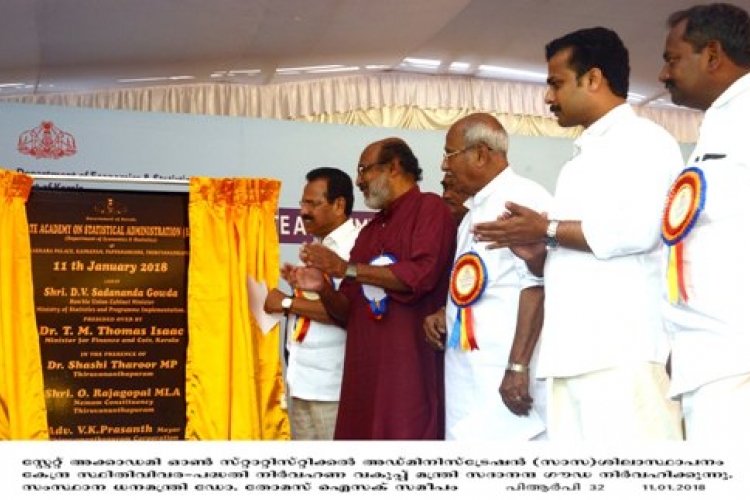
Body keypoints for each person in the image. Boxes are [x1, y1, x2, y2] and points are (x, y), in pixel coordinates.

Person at [472, 27, 684, 441]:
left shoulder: (645, 140)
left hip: (623, 354)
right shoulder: (578, 160)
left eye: (555, 83)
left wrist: (546, 228)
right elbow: (576, 248)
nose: (548, 98)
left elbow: (640, 231)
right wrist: (538, 251)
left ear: (593, 79)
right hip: (569, 354)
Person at [292, 137, 457, 439]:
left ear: (393, 167)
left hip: (407, 377)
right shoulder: (369, 231)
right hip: (363, 381)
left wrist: (347, 269)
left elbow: (421, 275)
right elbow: (346, 312)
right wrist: (325, 288)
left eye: (364, 170)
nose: (358, 181)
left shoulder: (429, 208)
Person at [424, 112, 551, 441]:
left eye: (449, 154)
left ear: (480, 154)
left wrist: (517, 366)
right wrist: (448, 313)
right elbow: (483, 288)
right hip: (468, 378)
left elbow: (537, 287)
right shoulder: (471, 215)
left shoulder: (523, 199)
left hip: (505, 379)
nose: (443, 166)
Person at [658, 3, 750, 441]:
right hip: (710, 355)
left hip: (737, 356)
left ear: (712, 55)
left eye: (673, 59)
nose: (663, 75)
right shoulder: (720, 124)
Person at [264, 167, 360, 440]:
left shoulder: (355, 247)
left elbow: (344, 312)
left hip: (332, 388)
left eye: (312, 203)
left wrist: (285, 303)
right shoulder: (316, 245)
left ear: (339, 204)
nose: (304, 211)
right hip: (301, 381)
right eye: (302, 203)